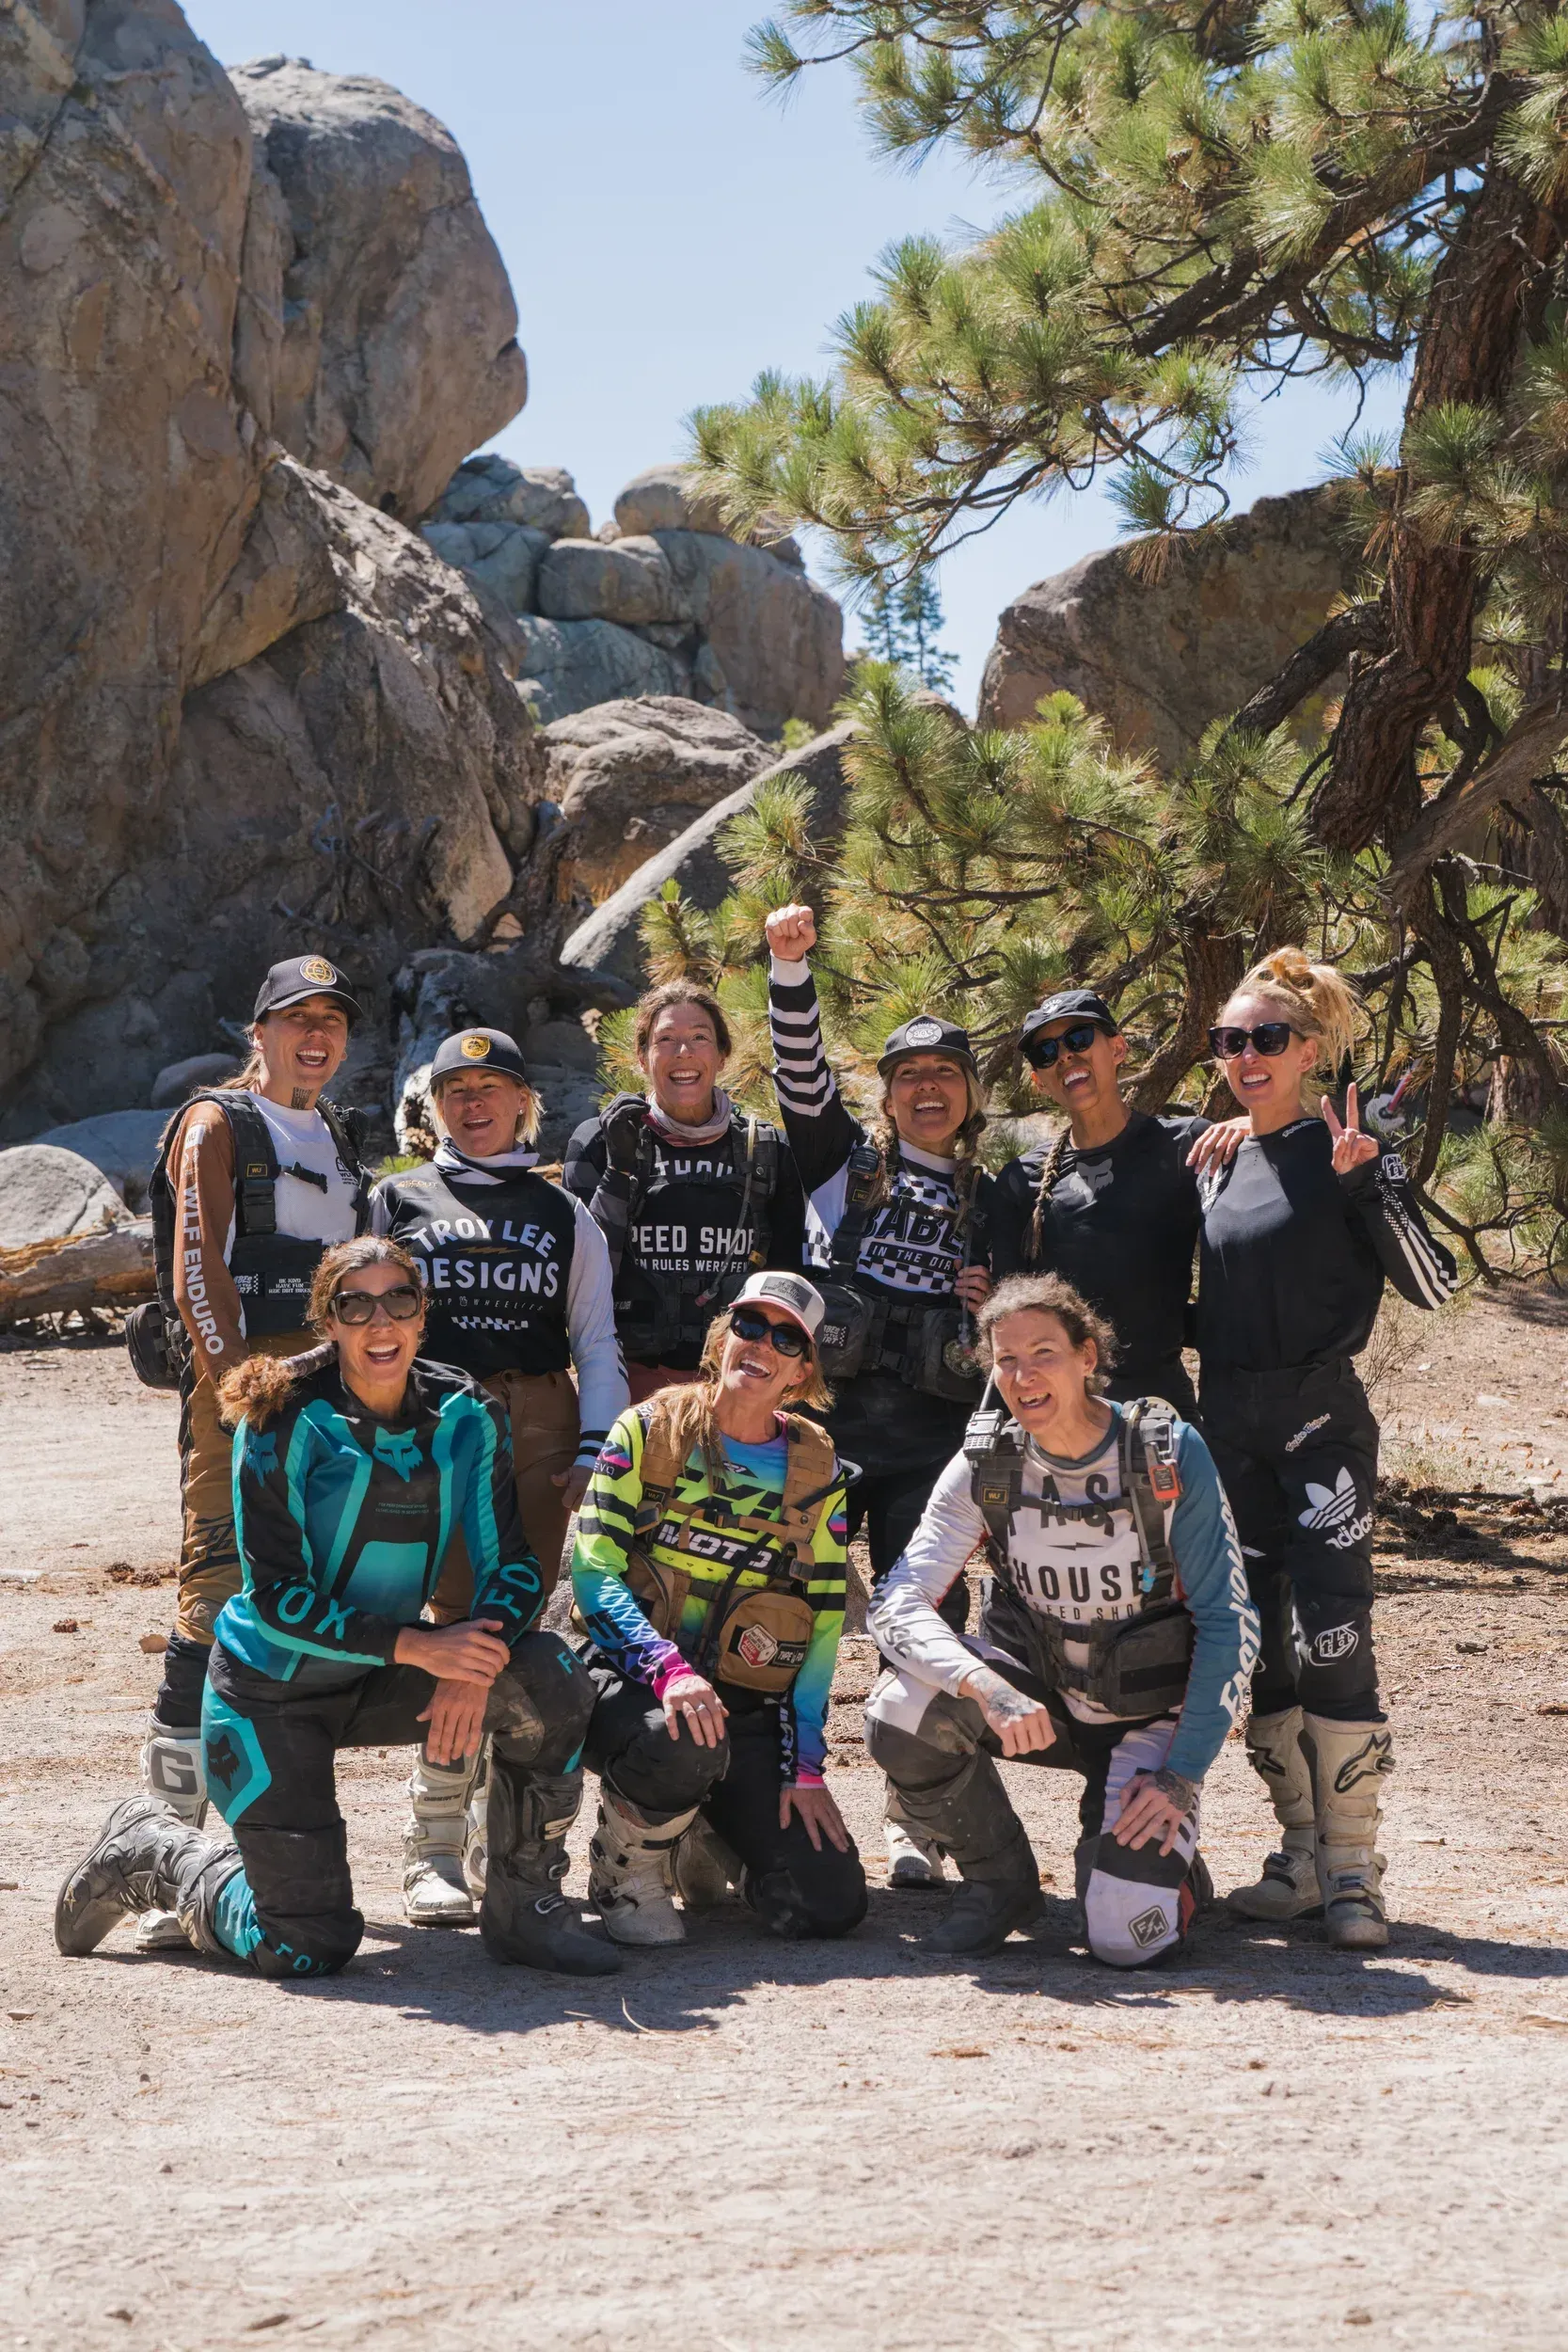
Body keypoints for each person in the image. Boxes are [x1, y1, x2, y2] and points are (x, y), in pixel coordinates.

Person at [55, 1239, 617, 1980]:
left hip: (384, 1673)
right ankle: (156, 1852)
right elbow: (278, 1598)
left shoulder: (466, 1412)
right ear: (328, 1321)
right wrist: (426, 1648)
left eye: (399, 1301)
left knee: (546, 1674)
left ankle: (524, 1905)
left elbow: (511, 1562)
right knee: (303, 1945)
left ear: (423, 1316)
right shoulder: (282, 1417)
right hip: (271, 1689)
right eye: (355, 1304)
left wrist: (473, 1660)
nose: (379, 1320)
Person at [865, 1275, 1259, 1964]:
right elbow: (895, 1602)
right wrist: (982, 1686)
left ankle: (1153, 1860)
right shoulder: (986, 1462)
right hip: (1040, 1701)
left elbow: (1230, 1621)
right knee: (900, 1709)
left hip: (1146, 1722)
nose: (1023, 1375)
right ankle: (1000, 1884)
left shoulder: (1163, 1454)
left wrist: (1182, 1773)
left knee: (1123, 1941)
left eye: (1042, 1352)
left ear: (1086, 1355)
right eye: (1006, 1360)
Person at [1197, 947, 1457, 1949]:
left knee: (1332, 1634)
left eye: (1267, 1038)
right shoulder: (1212, 1157)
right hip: (1228, 1429)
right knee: (1256, 1639)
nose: (1247, 1055)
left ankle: (1355, 1873)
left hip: (1318, 1426)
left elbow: (1432, 1290)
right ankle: (1300, 1856)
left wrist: (1367, 1186)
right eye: (1230, 1040)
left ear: (1309, 1050)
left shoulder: (1347, 1150)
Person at [369, 1025, 628, 1927]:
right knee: (446, 1620)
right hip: (435, 1424)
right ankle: (432, 1842)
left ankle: (496, 1832)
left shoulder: (566, 1213)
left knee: (511, 1618)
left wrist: (597, 1449)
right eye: (455, 1091)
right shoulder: (394, 1196)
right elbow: (361, 1327)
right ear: (432, 1106)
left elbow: (596, 1342)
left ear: (524, 1100)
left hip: (541, 1420)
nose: (473, 1105)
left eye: (491, 1088)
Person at [136, 955, 369, 1948]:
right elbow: (198, 1266)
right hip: (245, 1395)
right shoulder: (217, 1123)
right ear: (259, 1030)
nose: (314, 1036)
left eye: (331, 1020)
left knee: (303, 1601)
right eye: (294, 1019)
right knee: (212, 1598)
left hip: (333, 1397)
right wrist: (236, 1395)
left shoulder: (345, 1137)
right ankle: (160, 1847)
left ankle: (261, 1842)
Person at [764, 903, 993, 1887]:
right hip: (827, 1430)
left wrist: (995, 1298)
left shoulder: (1001, 1194)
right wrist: (788, 970)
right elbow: (801, 1078)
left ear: (970, 1093)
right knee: (783, 1609)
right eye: (906, 1077)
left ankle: (916, 1817)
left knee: (926, 1623)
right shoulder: (838, 1167)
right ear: (887, 1096)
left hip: (934, 1442)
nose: (924, 1090)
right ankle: (775, 1792)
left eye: (943, 1074)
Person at [571, 1271, 866, 1947]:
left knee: (825, 1904)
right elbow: (592, 1569)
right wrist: (668, 1668)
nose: (761, 1344)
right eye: (749, 1326)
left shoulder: (817, 1469)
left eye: (786, 1338)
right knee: (680, 1742)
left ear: (801, 1371)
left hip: (741, 1708)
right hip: (630, 1685)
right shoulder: (647, 1428)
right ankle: (624, 1867)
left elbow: (822, 1627)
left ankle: (699, 1827)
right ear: (720, 1337)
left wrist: (807, 1768)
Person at [991, 988, 1242, 1418]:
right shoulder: (1021, 1181)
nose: (1065, 1057)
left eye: (1079, 1039)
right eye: (1047, 1052)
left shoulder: (1185, 1146)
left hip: (1160, 1404)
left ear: (1118, 1048)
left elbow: (1248, 1244)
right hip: (1059, 1411)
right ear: (1039, 1080)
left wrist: (1251, 1125)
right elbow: (1008, 1320)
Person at [563, 979, 806, 1402]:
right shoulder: (599, 1141)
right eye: (666, 1040)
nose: (684, 1053)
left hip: (740, 1385)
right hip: (627, 1381)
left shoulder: (768, 1150)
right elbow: (583, 1275)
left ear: (723, 1055)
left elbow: (789, 1279)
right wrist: (619, 1171)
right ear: (641, 1057)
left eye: (700, 1038)